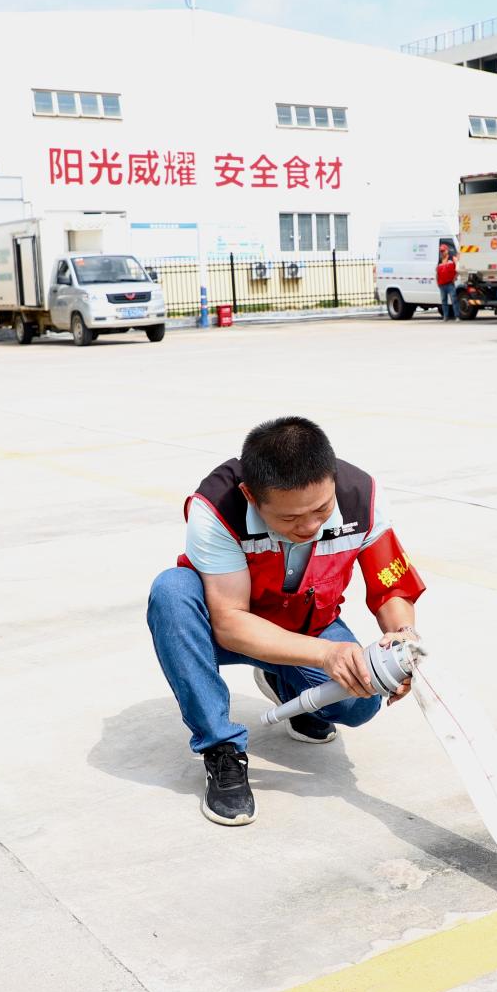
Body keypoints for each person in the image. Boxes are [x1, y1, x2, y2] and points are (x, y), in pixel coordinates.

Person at [145, 417, 426, 826]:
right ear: (251, 496)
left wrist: (403, 639)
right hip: (224, 627)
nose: (310, 526)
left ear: (332, 478)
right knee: (172, 591)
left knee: (359, 702)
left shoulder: (361, 496)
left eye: (321, 510)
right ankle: (221, 748)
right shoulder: (217, 507)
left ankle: (286, 680)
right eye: (291, 519)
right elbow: (230, 621)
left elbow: (391, 583)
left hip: (306, 626)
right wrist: (326, 655)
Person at [436, 241, 458, 321]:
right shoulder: (440, 261)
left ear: (447, 250)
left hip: (450, 284)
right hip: (442, 284)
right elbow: (437, 273)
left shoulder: (452, 258)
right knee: (444, 301)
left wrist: (455, 277)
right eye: (441, 251)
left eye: (443, 251)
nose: (442, 253)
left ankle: (457, 316)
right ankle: (445, 317)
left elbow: (458, 268)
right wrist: (437, 282)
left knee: (454, 300)